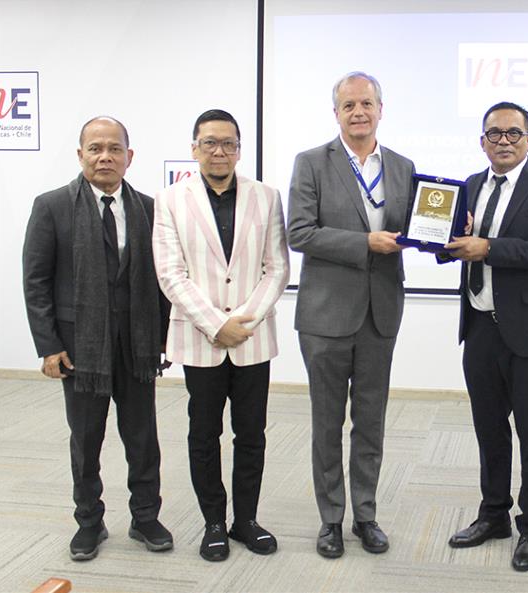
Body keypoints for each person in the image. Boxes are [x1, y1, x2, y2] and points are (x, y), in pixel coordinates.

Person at [22, 116, 173, 561]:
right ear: (80, 155)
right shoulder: (52, 207)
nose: (105, 157)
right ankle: (89, 521)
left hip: (137, 347)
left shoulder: (149, 208)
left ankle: (145, 517)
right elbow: (36, 282)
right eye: (95, 148)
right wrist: (49, 346)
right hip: (80, 349)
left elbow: (163, 282)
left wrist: (164, 337)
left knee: (142, 438)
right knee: (86, 440)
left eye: (114, 149)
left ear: (129, 156)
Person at [287, 72, 416, 559]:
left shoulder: (402, 166)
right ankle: (331, 520)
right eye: (349, 105)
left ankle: (366, 515)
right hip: (325, 316)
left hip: (380, 314)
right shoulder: (311, 163)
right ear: (336, 113)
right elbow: (300, 232)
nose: (358, 112)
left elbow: (415, 227)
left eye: (366, 103)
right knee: (327, 423)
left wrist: (448, 227)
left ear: (381, 109)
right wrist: (365, 242)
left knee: (370, 421)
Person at [152, 109, 290, 562]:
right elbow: (171, 275)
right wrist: (216, 324)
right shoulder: (170, 200)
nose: (219, 151)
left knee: (251, 435)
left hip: (251, 339)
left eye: (228, 143)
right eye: (210, 143)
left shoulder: (266, 197)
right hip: (201, 340)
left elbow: (277, 268)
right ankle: (213, 522)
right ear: (194, 148)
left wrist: (242, 322)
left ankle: (245, 520)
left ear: (239, 150)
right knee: (204, 435)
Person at [444, 101, 528, 572]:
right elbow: (453, 247)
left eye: (513, 133)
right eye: (494, 134)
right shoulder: (469, 186)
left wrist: (489, 248)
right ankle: (493, 514)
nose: (503, 141)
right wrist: (438, 239)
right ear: (482, 141)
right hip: (480, 327)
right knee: (489, 430)